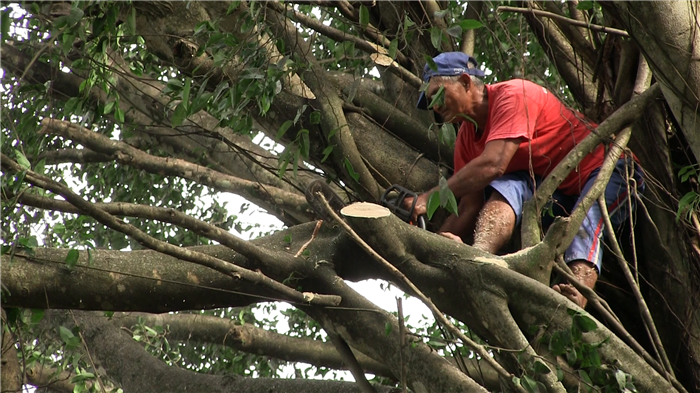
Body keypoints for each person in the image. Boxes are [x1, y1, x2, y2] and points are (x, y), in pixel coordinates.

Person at [410, 52, 644, 309]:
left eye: (437, 95)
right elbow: (468, 206)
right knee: (507, 188)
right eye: (430, 101)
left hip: (609, 169)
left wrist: (427, 198)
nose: (435, 106)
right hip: (557, 190)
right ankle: (479, 255)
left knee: (586, 218)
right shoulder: (465, 139)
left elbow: (495, 163)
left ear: (466, 82)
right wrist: (430, 245)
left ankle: (576, 294)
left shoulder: (513, 95)